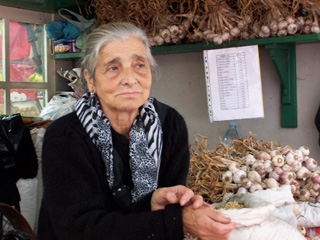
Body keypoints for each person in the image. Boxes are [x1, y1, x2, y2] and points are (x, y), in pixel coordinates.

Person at [37, 22, 236, 240]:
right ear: (90, 79)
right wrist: (177, 221)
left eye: (139, 65)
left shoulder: (169, 125)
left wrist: (157, 202)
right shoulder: (65, 137)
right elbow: (79, 229)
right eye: (113, 68)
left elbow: (164, 213)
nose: (130, 79)